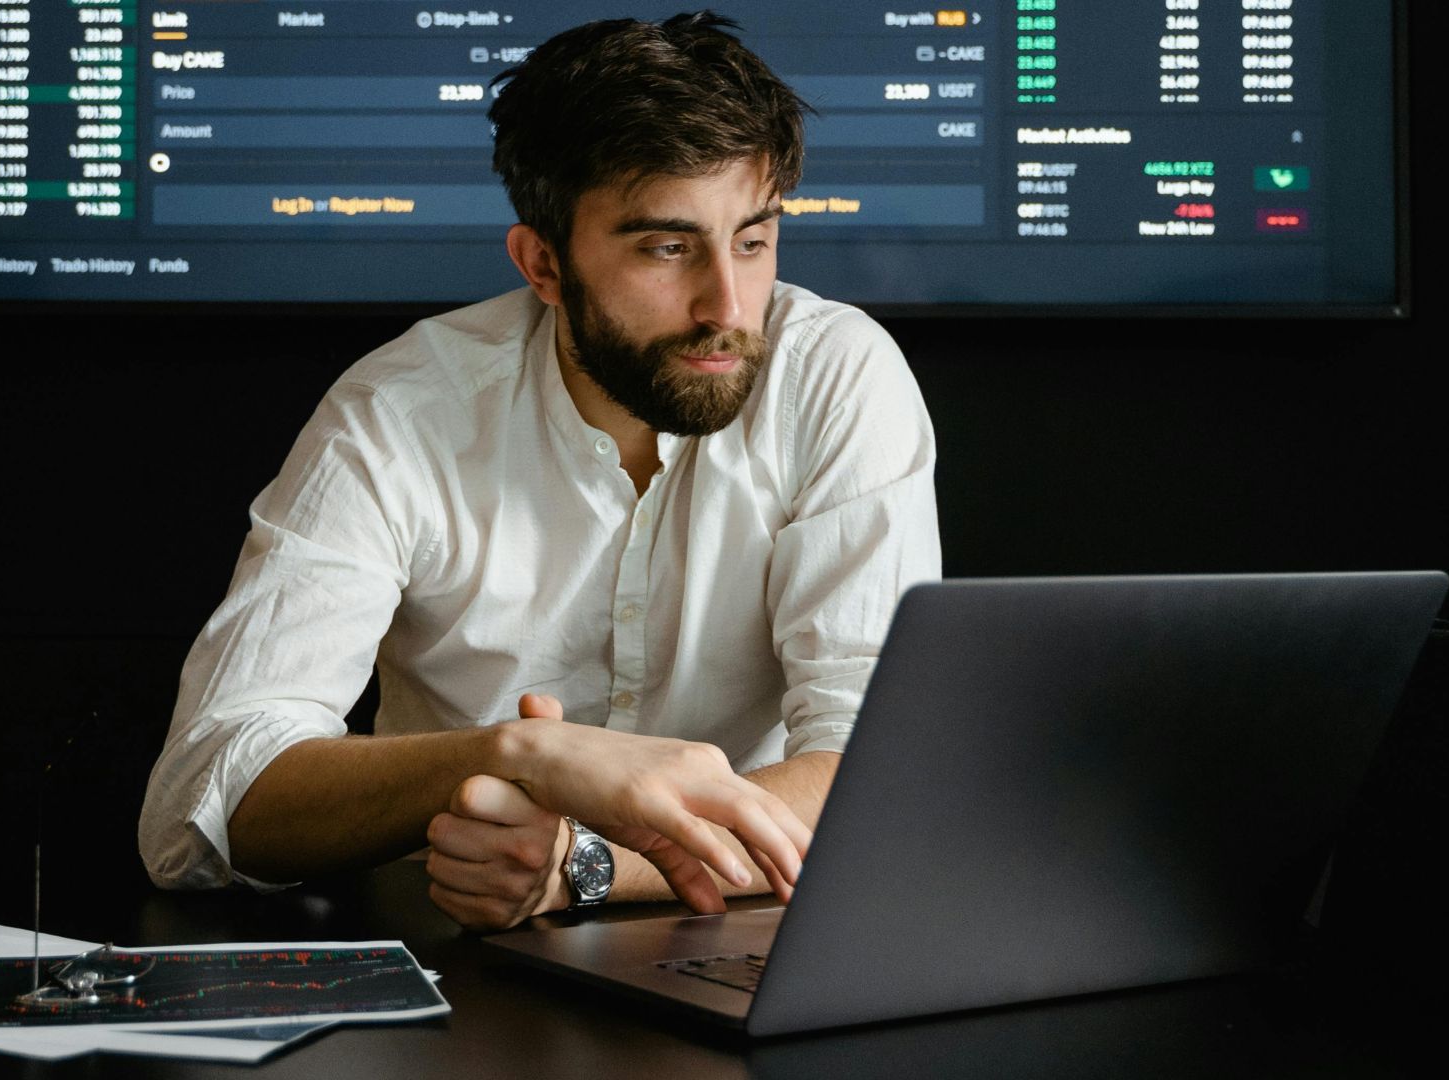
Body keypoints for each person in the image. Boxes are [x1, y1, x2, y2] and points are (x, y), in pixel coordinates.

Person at [138, 11, 941, 931]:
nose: (728, 303)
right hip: (449, 952)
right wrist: (519, 756)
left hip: (749, 941)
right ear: (544, 264)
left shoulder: (836, 375)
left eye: (753, 240)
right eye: (666, 248)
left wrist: (584, 866)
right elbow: (199, 807)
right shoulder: (399, 412)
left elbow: (882, 774)